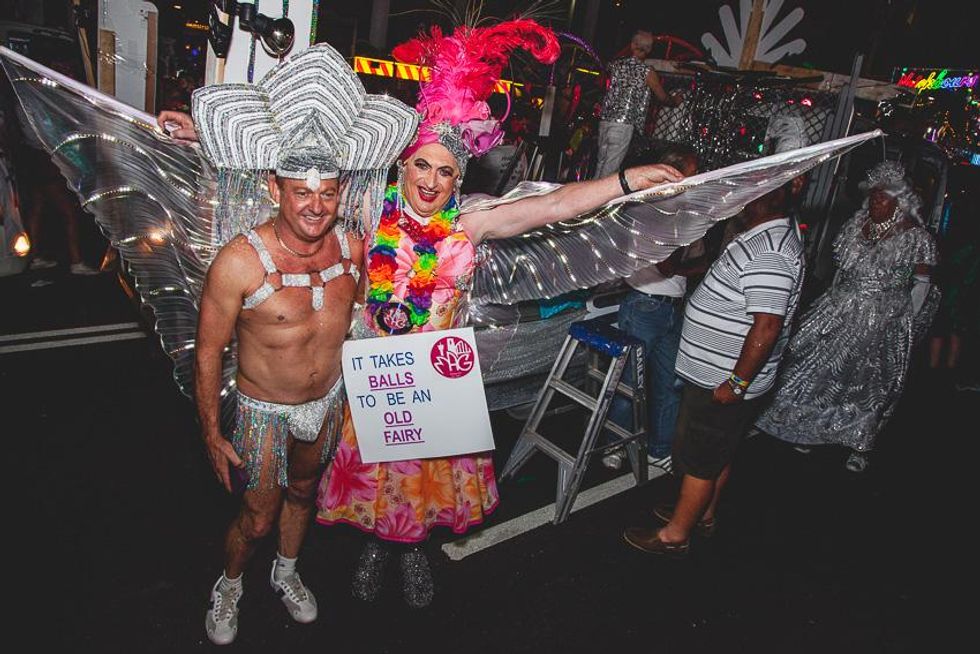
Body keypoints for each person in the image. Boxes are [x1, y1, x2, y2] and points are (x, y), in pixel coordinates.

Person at [314, 19, 685, 608]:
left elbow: (555, 205)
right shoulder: (366, 210)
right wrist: (184, 138)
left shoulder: (470, 222)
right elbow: (291, 183)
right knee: (380, 468)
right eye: (421, 166)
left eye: (445, 172)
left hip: (437, 367)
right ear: (402, 167)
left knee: (425, 474)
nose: (431, 181)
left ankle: (411, 551)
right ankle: (379, 548)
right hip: (379, 364)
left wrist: (624, 180)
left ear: (459, 178)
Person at [164, 43, 420, 645]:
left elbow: (359, 320)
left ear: (340, 192)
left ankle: (288, 572)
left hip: (326, 404)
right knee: (255, 517)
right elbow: (207, 352)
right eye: (302, 192)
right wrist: (210, 430)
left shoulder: (353, 247)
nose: (316, 205)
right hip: (261, 412)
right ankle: (229, 585)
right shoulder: (238, 262)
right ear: (275, 189)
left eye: (328, 192)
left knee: (304, 494)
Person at [622, 136, 808, 556]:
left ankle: (675, 533)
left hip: (723, 380)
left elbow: (767, 326)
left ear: (768, 198)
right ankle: (701, 512)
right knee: (716, 452)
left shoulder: (772, 250)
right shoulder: (762, 237)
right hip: (719, 374)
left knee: (702, 454)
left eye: (749, 192)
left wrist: (736, 384)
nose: (739, 199)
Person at [755, 161, 940, 472]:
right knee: (811, 367)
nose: (874, 203)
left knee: (867, 386)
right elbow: (840, 269)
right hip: (840, 308)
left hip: (882, 319)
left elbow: (922, 284)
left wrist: (904, 322)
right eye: (872, 197)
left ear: (900, 201)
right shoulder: (856, 224)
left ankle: (858, 444)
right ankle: (810, 430)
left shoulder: (916, 237)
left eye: (882, 198)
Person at [602, 145, 706, 474]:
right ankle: (613, 445)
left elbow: (701, 260)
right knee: (629, 382)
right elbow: (666, 266)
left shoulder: (684, 213)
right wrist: (687, 253)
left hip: (674, 305)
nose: (696, 179)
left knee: (669, 381)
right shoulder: (651, 211)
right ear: (671, 173)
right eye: (691, 172)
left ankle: (660, 447)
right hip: (644, 305)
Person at [593, 30, 682, 179]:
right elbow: (662, 97)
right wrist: (675, 101)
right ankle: (598, 200)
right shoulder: (647, 72)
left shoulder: (616, 65)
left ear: (633, 45)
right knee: (609, 172)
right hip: (624, 125)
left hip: (605, 120)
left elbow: (600, 83)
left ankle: (590, 197)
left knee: (600, 164)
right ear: (649, 49)